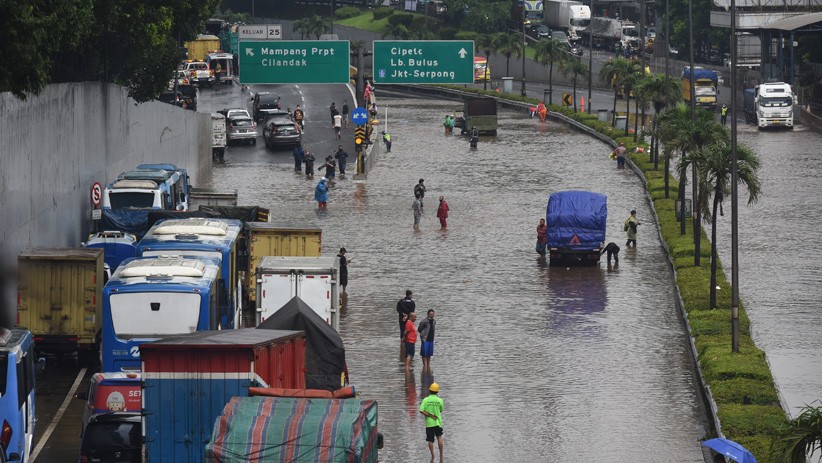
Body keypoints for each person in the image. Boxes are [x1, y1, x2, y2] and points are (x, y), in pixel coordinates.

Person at [419, 382, 444, 463]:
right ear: (437, 391)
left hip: (429, 424)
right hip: (437, 422)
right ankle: (441, 455)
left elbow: (421, 410)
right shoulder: (440, 400)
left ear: (429, 390)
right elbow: (441, 410)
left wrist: (429, 415)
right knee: (439, 437)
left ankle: (432, 456)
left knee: (430, 440)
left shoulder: (425, 400)